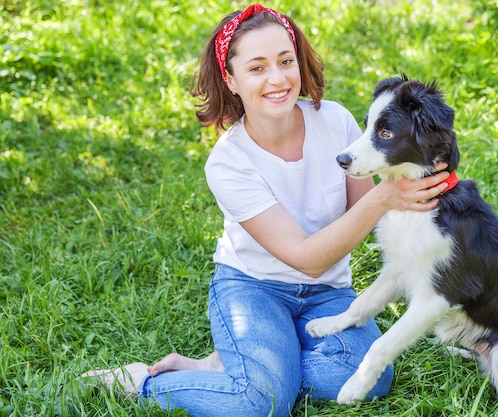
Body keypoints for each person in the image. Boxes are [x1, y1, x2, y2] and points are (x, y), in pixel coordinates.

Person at [82, 4, 450, 417]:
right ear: (231, 80)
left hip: (328, 292)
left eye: (285, 61)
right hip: (254, 289)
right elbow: (307, 259)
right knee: (263, 403)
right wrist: (385, 196)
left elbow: (358, 219)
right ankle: (147, 382)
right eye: (257, 68)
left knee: (370, 378)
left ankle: (246, 367)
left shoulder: (335, 122)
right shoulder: (229, 162)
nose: (277, 79)